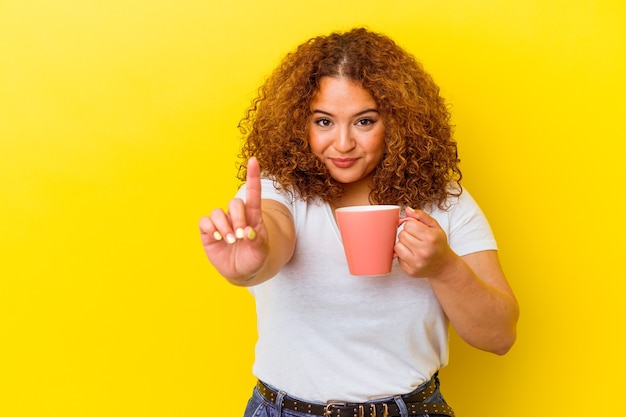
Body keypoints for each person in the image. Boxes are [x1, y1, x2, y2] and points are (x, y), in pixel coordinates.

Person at [199, 27, 519, 417]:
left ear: (397, 122)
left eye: (364, 122)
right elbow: (273, 233)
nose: (344, 143)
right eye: (323, 122)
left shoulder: (443, 201)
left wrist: (444, 267)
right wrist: (253, 260)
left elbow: (499, 336)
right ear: (299, 123)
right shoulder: (277, 192)